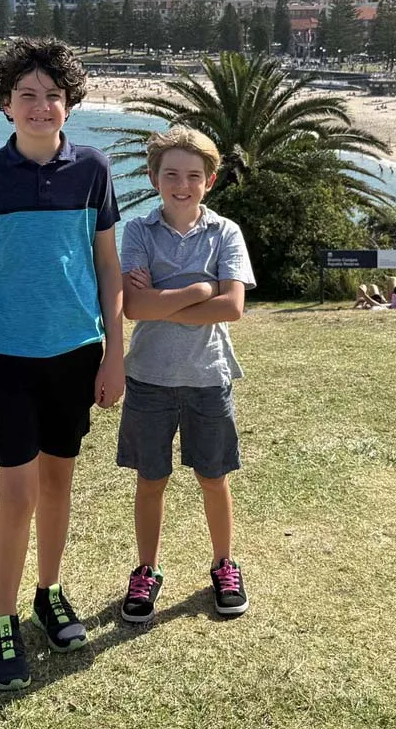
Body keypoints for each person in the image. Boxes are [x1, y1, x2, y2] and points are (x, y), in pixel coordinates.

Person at [0, 37, 124, 692]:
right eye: (26, 94)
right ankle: (2, 618)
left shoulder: (93, 169)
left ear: (69, 104)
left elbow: (107, 264)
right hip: (6, 356)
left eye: (52, 95)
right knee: (18, 489)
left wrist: (115, 353)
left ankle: (48, 592)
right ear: (6, 103)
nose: (40, 105)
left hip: (77, 353)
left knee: (58, 482)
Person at [117, 127, 256, 624]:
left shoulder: (226, 232)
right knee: (150, 479)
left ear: (210, 180)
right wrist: (200, 289)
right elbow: (133, 307)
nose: (182, 185)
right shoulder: (138, 231)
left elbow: (232, 307)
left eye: (193, 176)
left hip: (208, 377)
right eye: (171, 174)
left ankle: (224, 565)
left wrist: (161, 298)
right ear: (153, 177)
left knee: (213, 478)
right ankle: (146, 570)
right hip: (148, 378)